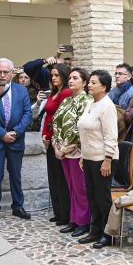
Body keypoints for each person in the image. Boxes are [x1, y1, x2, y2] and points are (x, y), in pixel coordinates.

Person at [0, 58, 33, 224]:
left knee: (15, 175)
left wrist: (16, 132)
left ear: (12, 73)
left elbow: (27, 114)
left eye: (6, 72)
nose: (2, 75)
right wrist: (2, 134)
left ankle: (18, 206)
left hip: (16, 140)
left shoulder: (21, 90)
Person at [77, 70, 119, 249]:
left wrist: (108, 159)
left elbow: (111, 136)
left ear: (104, 86)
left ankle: (108, 234)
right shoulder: (91, 103)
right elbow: (86, 131)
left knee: (103, 198)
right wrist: (82, 156)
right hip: (89, 157)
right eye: (90, 82)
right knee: (92, 196)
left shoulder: (107, 106)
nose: (89, 85)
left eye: (93, 83)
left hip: (103, 158)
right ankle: (95, 230)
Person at [52, 67, 93, 237]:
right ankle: (74, 219)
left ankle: (84, 222)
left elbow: (79, 127)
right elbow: (56, 122)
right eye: (70, 78)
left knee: (80, 188)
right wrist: (57, 145)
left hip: (77, 150)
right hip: (63, 150)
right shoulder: (66, 100)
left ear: (84, 82)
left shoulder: (87, 101)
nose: (70, 80)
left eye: (75, 78)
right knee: (70, 187)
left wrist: (66, 146)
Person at [39, 62, 73, 224]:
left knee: (61, 179)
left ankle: (65, 214)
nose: (53, 78)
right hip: (49, 139)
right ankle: (58, 211)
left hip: (58, 141)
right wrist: (45, 135)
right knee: (53, 177)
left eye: (57, 75)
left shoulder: (65, 93)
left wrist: (51, 137)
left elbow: (61, 120)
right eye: (52, 75)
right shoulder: (54, 92)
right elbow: (48, 118)